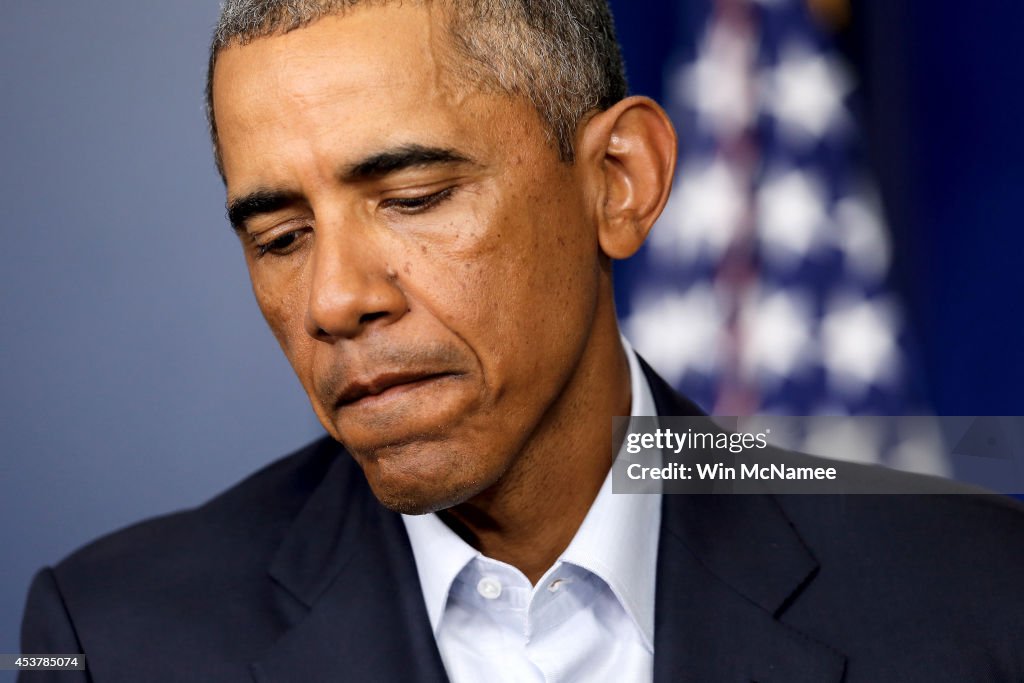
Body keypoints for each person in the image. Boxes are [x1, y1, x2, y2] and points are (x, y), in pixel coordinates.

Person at [19, 1, 1024, 681]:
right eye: (281, 237)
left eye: (412, 199)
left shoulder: (978, 599)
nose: (333, 298)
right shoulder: (112, 640)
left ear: (618, 180)